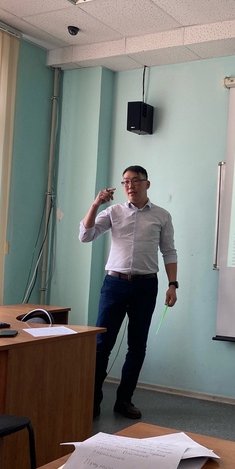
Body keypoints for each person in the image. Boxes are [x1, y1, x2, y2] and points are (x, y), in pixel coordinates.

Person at [79, 165, 178, 419]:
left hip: (146, 286)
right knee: (102, 345)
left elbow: (169, 251)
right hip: (115, 285)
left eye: (135, 180)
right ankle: (92, 400)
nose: (130, 186)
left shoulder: (162, 215)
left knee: (137, 346)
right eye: (125, 182)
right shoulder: (113, 211)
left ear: (147, 184)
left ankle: (124, 400)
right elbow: (85, 235)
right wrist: (95, 204)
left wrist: (173, 284)